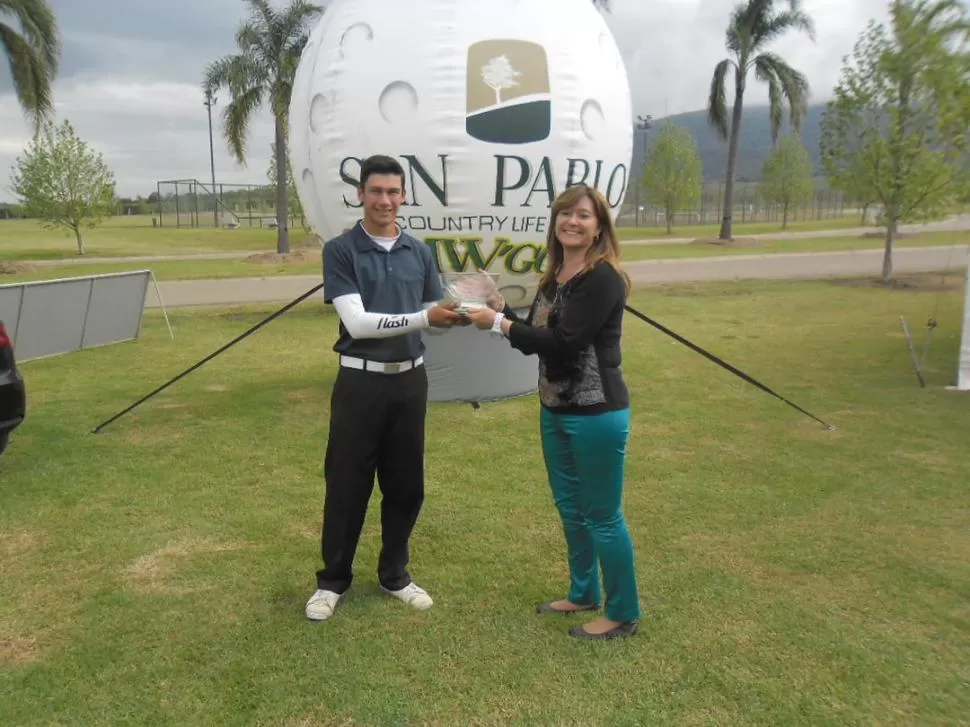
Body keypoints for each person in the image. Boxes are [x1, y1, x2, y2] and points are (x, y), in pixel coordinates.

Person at [464, 184, 641, 640]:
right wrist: (502, 310)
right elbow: (540, 340)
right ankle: (583, 591)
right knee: (571, 509)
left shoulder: (603, 278)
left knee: (602, 515)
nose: (572, 222)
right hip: (555, 408)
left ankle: (622, 612)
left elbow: (567, 344)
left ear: (600, 225)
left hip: (597, 412)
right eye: (565, 214)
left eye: (583, 215)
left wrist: (498, 325)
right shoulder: (555, 275)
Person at [305, 154, 466, 622]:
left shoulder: (418, 251)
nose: (385, 200)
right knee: (346, 485)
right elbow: (356, 321)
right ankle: (332, 581)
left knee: (405, 485)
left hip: (410, 384)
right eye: (376, 191)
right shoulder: (341, 250)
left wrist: (470, 309)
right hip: (360, 383)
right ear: (360, 194)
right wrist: (425, 316)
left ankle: (394, 574)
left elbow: (433, 318)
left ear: (404, 196)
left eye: (394, 192)